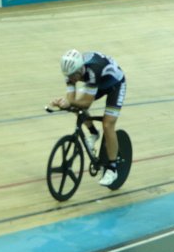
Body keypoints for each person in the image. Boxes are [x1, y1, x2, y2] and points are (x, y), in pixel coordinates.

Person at [50, 49, 127, 186]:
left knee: (108, 124)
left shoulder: (92, 71)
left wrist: (69, 103)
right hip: (99, 83)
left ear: (81, 68)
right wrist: (63, 103)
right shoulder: (70, 72)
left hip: (115, 84)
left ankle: (112, 169)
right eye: (69, 76)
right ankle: (94, 133)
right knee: (75, 107)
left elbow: (86, 104)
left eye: (74, 75)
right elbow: (71, 100)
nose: (71, 79)